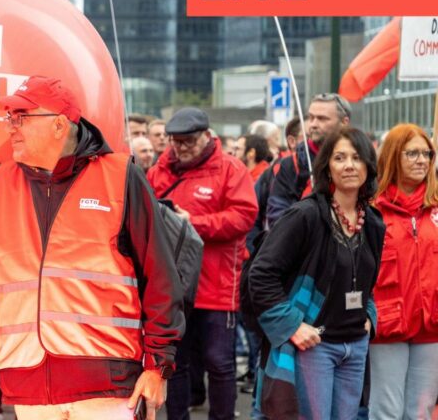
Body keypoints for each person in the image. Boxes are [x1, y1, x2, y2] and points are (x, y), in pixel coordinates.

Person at [0, 76, 183, 420]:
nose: (11, 126)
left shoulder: (120, 176)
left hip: (106, 383)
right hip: (30, 384)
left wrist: (158, 366)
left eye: (21, 116)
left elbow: (159, 275)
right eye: (8, 117)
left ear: (59, 123)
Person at [248, 127, 383, 420]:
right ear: (326, 167)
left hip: (355, 346)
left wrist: (369, 314)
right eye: (339, 157)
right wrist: (292, 325)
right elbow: (261, 274)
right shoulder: (305, 216)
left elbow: (368, 282)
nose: (349, 165)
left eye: (357, 158)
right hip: (314, 345)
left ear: (368, 167)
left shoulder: (373, 222)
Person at [146, 108, 258, 420]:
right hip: (176, 286)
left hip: (217, 284)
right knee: (176, 363)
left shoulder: (231, 169)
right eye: (175, 142)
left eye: (188, 141)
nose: (181, 148)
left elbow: (244, 216)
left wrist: (192, 223)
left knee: (219, 362)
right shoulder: (160, 171)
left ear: (207, 136)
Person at [369, 124, 438, 420]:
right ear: (393, 156)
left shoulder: (436, 209)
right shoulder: (371, 211)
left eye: (427, 153)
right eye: (412, 153)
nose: (421, 160)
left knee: (421, 411)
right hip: (387, 325)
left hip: (432, 324)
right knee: (386, 411)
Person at [267, 93, 352, 224]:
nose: (313, 124)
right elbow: (277, 213)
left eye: (322, 119)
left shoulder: (361, 161)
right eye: (311, 118)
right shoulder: (291, 164)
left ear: (344, 122)